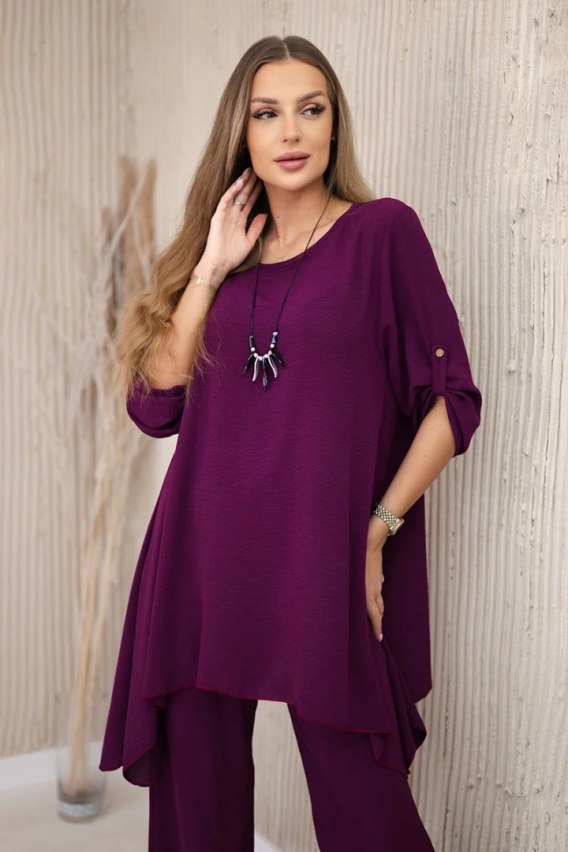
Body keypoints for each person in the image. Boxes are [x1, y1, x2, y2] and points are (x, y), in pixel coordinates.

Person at [99, 34, 482, 851]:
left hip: (322, 560)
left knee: (365, 814)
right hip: (200, 562)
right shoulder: (224, 259)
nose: (292, 132)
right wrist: (212, 266)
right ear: (241, 133)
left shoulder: (382, 234)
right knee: (197, 822)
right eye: (267, 114)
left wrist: (375, 532)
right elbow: (153, 405)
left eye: (311, 109)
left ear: (335, 123)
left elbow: (452, 403)